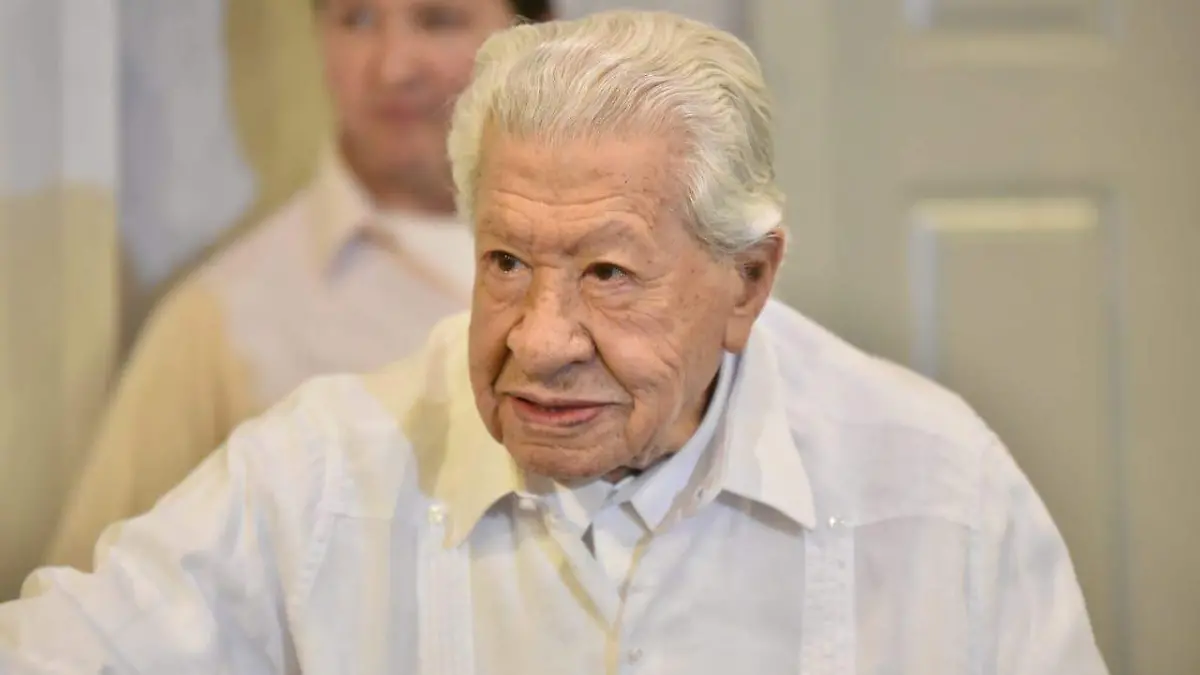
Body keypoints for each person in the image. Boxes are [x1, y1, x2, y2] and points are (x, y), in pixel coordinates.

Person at [2, 11, 1108, 673]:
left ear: (748, 280)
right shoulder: (321, 472)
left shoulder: (939, 491)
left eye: (607, 275)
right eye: (505, 262)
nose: (539, 342)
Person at [44, 0, 554, 572]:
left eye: (438, 20)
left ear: (531, 38)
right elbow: (94, 593)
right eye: (357, 20)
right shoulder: (222, 322)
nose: (393, 68)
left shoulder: (626, 275)